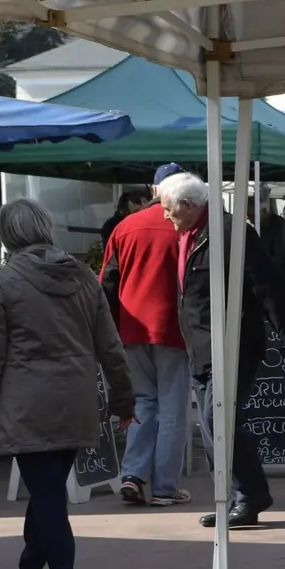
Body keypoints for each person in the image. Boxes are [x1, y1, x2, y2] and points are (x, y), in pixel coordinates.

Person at [0, 199, 134, 569]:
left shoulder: (3, 283)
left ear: (8, 235)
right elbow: (110, 347)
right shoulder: (82, 277)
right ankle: (29, 568)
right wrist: (122, 399)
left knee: (47, 495)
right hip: (76, 400)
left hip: (26, 404)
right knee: (47, 490)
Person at [159, 172, 285, 527]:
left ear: (187, 205)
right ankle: (234, 496)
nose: (166, 217)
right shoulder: (192, 234)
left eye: (169, 210)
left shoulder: (229, 232)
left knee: (218, 418)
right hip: (200, 346)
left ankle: (250, 495)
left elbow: (267, 284)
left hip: (231, 344)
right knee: (213, 424)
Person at [100, 168, 193, 508]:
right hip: (174, 330)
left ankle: (133, 475)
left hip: (132, 327)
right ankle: (165, 488)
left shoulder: (126, 226)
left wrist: (107, 330)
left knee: (142, 403)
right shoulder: (187, 226)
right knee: (171, 410)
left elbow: (107, 283)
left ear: (154, 188)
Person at [252, 188, 285, 293]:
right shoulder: (262, 227)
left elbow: (279, 256)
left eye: (252, 215)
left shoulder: (279, 226)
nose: (251, 219)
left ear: (263, 211)